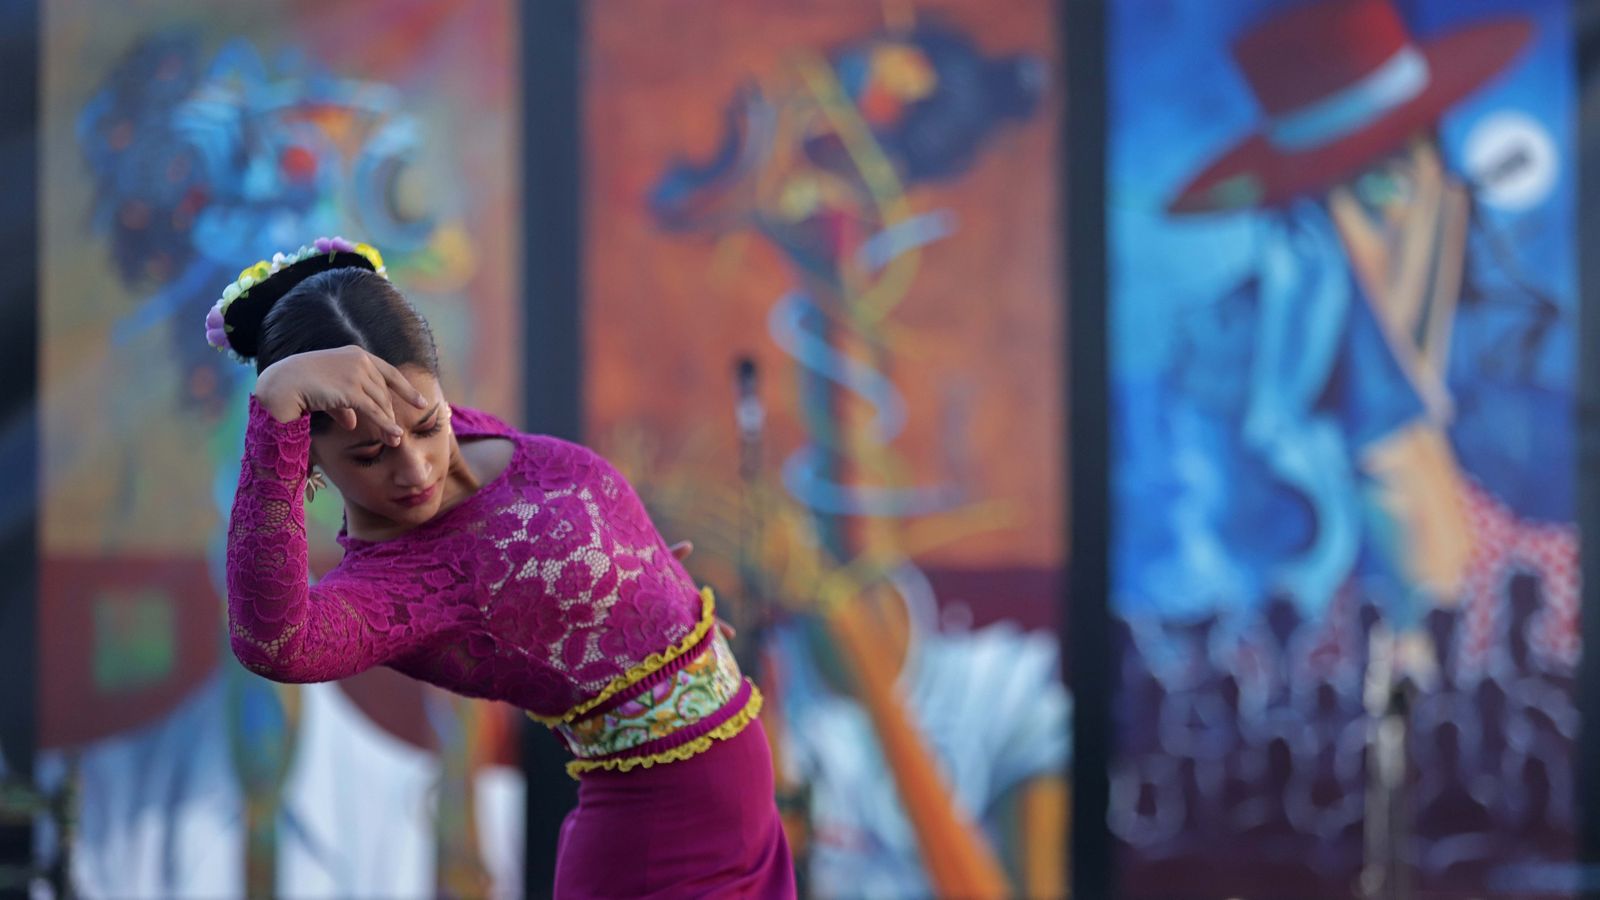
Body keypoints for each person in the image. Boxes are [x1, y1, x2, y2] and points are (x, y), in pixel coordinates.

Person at [207, 236, 796, 897]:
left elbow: (554, 547)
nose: (416, 469)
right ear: (309, 461)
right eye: (370, 456)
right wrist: (274, 410)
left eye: (428, 424)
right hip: (657, 842)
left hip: (741, 819)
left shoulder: (477, 433)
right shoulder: (395, 586)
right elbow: (275, 643)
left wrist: (648, 594)